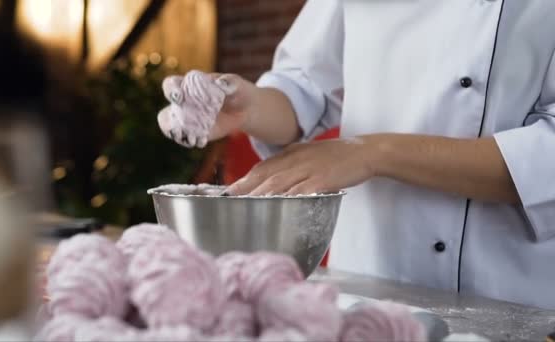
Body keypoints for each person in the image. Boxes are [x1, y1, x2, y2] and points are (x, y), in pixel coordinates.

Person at [157, 0, 555, 309]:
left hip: (514, 294)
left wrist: (372, 152)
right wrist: (251, 107)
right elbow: (305, 85)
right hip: (370, 283)